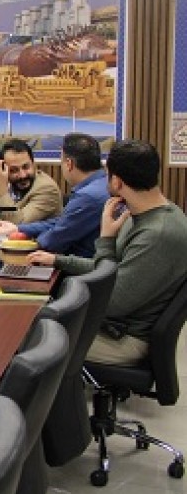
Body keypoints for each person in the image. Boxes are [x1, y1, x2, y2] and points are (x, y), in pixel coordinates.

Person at [28, 140, 187, 365]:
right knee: (33, 319)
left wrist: (106, 240)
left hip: (124, 338)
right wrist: (57, 260)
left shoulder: (158, 233)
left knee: (23, 337)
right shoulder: (143, 214)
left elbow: (110, 301)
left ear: (117, 182)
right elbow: (110, 272)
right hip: (113, 326)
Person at [0, 133, 108, 257]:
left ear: (69, 164)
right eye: (13, 170)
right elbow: (61, 222)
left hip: (76, 264)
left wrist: (29, 239)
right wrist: (17, 229)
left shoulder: (87, 196)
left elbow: (53, 241)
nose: (22, 175)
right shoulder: (101, 184)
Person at [0, 138, 63, 226]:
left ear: (34, 164)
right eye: (14, 170)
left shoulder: (47, 189)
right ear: (4, 170)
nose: (22, 175)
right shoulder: (6, 183)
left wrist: (3, 191)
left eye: (26, 167)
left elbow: (18, 224)